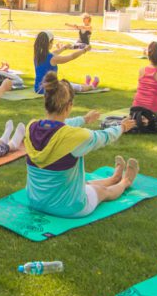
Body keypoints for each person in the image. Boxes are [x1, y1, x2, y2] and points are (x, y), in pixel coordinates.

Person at [24, 73, 139, 218]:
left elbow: (58, 126)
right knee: (102, 191)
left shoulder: (31, 128)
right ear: (69, 106)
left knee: (84, 183)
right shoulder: (76, 137)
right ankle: (125, 182)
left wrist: (84, 119)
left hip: (35, 201)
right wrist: (122, 127)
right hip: (69, 208)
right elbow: (104, 136)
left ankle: (113, 178)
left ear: (45, 101)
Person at [32, 31, 99, 93]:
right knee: (73, 86)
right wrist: (84, 50)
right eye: (52, 42)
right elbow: (71, 56)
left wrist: (64, 48)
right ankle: (92, 86)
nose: (52, 44)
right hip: (48, 89)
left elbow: (54, 53)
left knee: (67, 84)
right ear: (48, 43)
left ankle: (87, 85)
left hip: (38, 88)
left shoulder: (38, 56)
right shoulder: (53, 59)